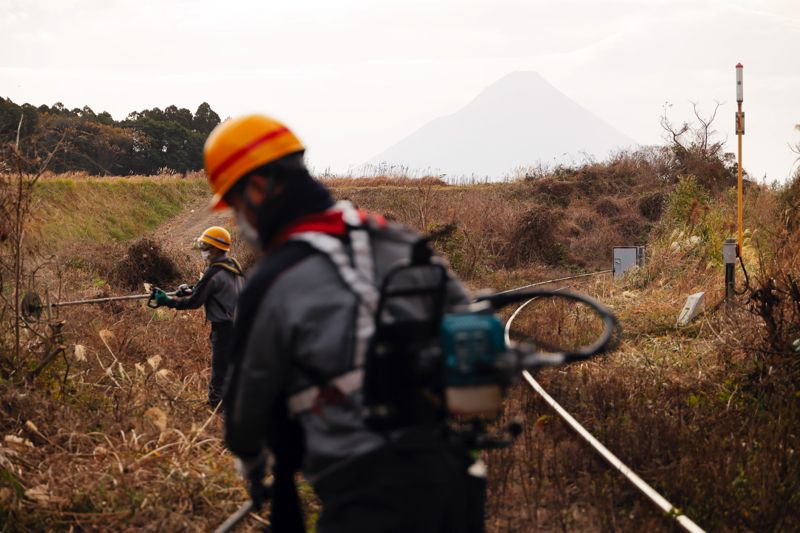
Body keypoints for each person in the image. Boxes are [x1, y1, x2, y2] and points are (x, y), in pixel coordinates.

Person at [203, 114, 486, 532]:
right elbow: (465, 326)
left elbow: (247, 406)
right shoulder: (396, 238)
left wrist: (252, 463)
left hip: (366, 496)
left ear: (259, 188)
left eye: (237, 205)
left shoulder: (273, 279)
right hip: (454, 477)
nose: (240, 222)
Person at [153, 226, 244, 407]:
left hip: (225, 330)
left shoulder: (213, 273)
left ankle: (215, 411)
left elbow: (194, 302)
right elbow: (208, 291)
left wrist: (166, 301)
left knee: (220, 374)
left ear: (216, 249)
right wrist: (190, 290)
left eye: (205, 246)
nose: (203, 250)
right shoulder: (233, 266)